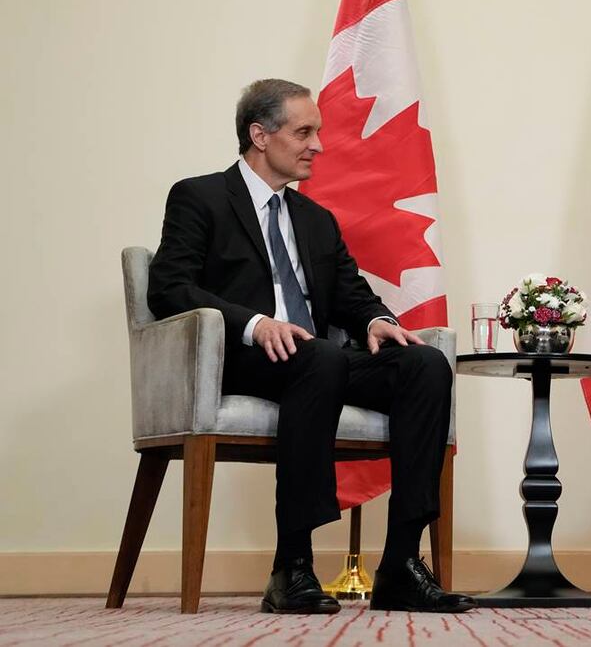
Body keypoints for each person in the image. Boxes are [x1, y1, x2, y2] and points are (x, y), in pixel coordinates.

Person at [147, 78, 476, 615]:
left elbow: (352, 294)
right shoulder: (200, 196)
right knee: (319, 357)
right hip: (243, 359)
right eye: (304, 132)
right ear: (260, 134)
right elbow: (168, 287)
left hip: (316, 362)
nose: (318, 146)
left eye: (316, 133)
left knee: (425, 364)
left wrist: (375, 319)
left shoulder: (315, 219)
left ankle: (400, 566)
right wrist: (255, 323)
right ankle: (292, 565)